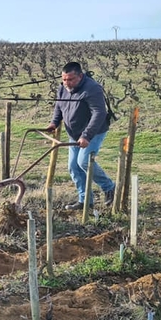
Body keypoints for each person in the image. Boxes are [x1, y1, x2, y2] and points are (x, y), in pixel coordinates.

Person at [47, 62, 115, 210]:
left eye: (70, 79)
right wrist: (54, 123)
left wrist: (87, 135)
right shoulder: (62, 88)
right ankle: (85, 201)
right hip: (74, 133)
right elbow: (59, 106)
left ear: (80, 76)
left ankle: (109, 188)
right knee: (73, 166)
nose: (67, 83)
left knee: (83, 161)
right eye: (64, 79)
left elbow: (99, 113)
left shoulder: (92, 88)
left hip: (93, 132)